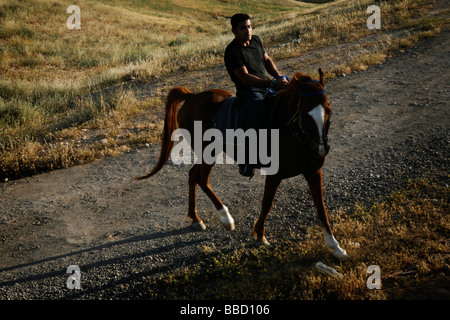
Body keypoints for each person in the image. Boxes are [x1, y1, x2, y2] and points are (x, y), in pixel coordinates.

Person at [224, 13, 288, 177]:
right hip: (249, 91)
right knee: (259, 115)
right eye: (243, 28)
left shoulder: (256, 41)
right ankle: (247, 160)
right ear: (234, 31)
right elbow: (245, 78)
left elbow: (267, 60)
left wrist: (279, 77)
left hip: (267, 85)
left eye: (249, 26)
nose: (248, 30)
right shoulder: (232, 51)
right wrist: (272, 83)